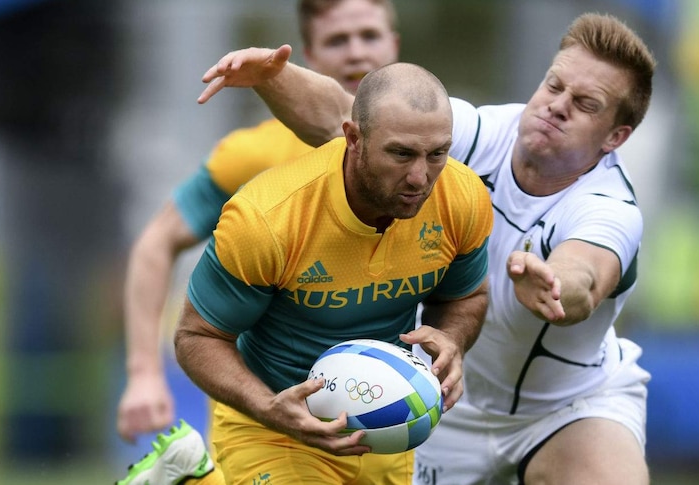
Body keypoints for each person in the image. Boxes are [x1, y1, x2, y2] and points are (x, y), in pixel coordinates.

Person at [196, 11, 655, 485]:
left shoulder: (610, 207)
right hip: (429, 394)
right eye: (554, 85)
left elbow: (586, 273)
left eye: (585, 104)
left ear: (615, 137)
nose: (557, 106)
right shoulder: (477, 133)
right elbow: (350, 118)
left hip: (566, 407)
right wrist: (274, 76)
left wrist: (559, 284)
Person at [175, 62, 492, 484]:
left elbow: (465, 297)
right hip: (275, 424)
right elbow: (196, 337)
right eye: (400, 153)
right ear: (353, 138)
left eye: (437, 154)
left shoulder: (462, 197)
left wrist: (451, 338)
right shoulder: (268, 219)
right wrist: (268, 407)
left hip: (386, 426)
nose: (421, 178)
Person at [117, 0, 400, 445]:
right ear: (308, 56)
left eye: (369, 35)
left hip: (400, 404)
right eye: (337, 40)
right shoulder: (254, 154)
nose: (356, 53)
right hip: (269, 414)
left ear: (394, 45)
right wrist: (143, 374)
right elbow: (157, 241)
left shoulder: (434, 149)